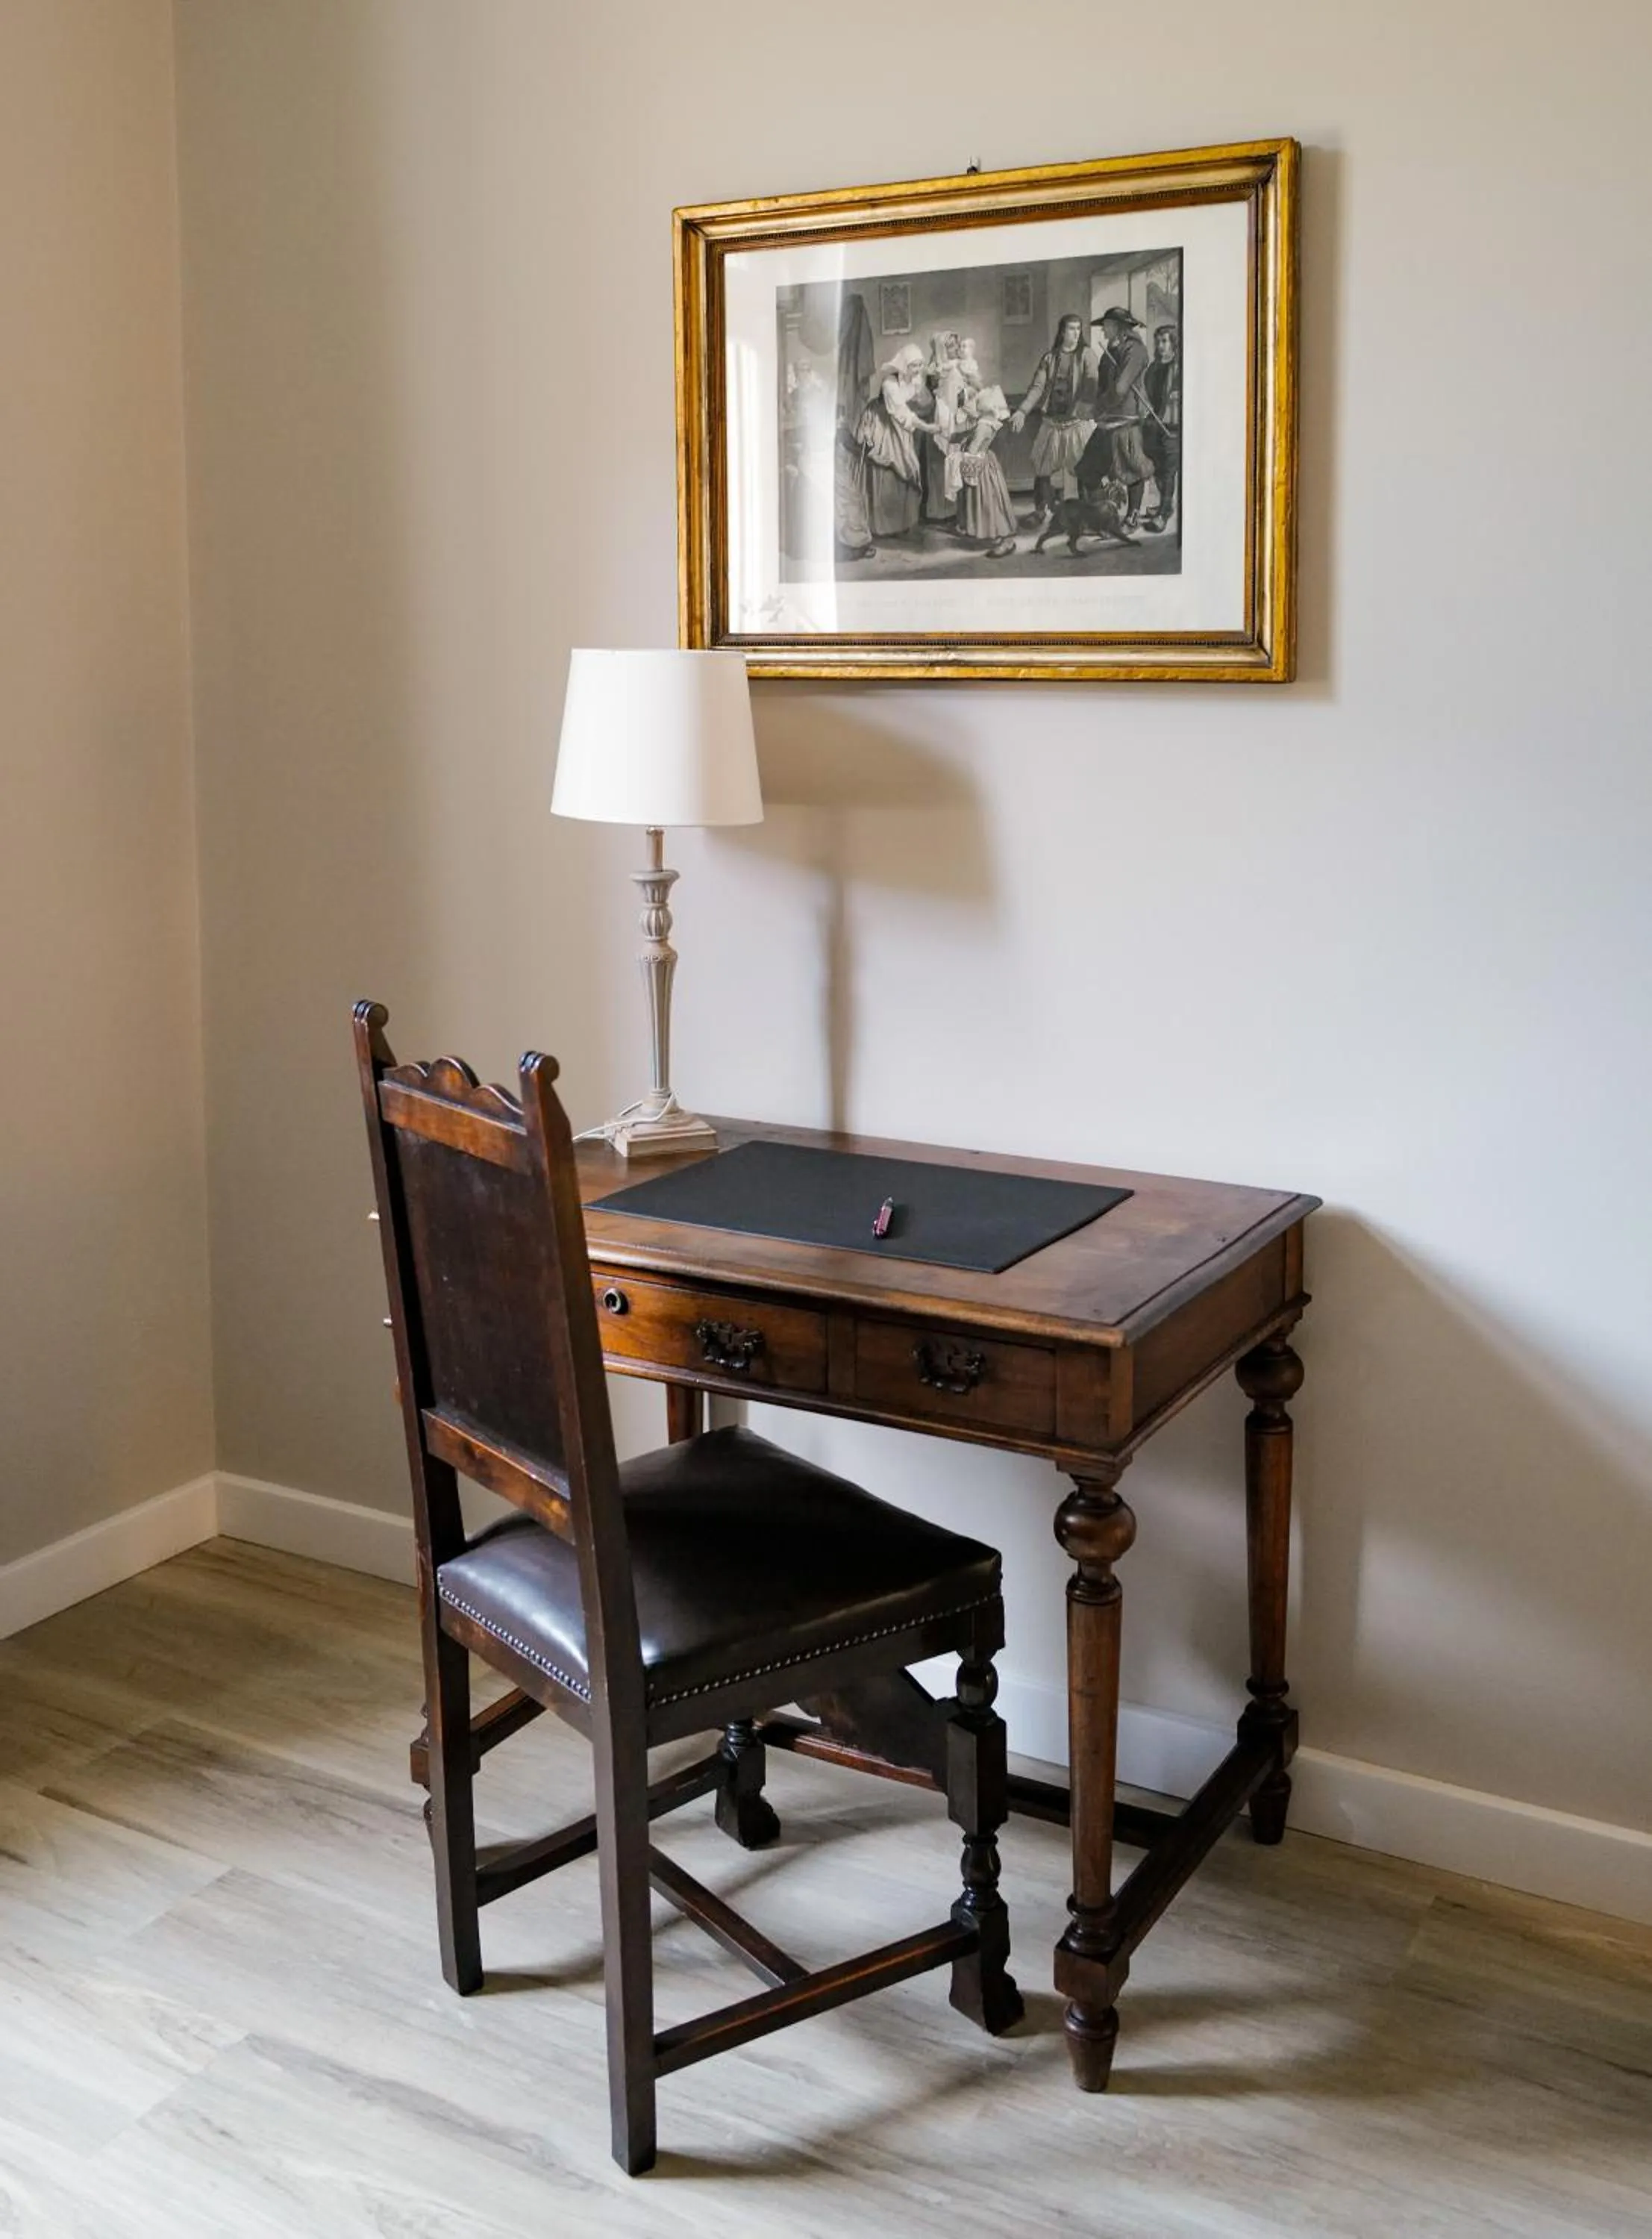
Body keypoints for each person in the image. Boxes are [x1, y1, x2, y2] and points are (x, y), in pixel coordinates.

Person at [1010, 312, 1099, 520]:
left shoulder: (1087, 355)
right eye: (1071, 328)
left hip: (1077, 422)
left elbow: (1091, 384)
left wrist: (1080, 410)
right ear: (1062, 331)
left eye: (1079, 328)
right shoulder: (1050, 358)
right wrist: (1023, 410)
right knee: (1043, 468)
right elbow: (1038, 387)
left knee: (1085, 469)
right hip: (1052, 422)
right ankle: (1041, 511)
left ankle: (1091, 515)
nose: (1076, 333)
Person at [1077, 306, 1151, 531]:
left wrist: (1098, 408)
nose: (1104, 330)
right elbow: (1103, 386)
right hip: (1107, 419)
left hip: (1126, 419)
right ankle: (1101, 518)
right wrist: (1094, 408)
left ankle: (1132, 517)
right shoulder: (1110, 349)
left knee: (1132, 470)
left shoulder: (1136, 350)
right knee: (1088, 469)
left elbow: (1120, 389)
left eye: (1107, 326)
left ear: (1119, 327)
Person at [856, 342, 935, 539]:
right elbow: (900, 413)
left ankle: (903, 523)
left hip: (901, 427)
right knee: (888, 467)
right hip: (883, 422)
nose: (916, 370)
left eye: (919, 365)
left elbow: (924, 404)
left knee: (907, 470)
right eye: (912, 366)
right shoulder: (889, 384)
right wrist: (926, 427)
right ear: (903, 365)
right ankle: (882, 526)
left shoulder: (916, 380)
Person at [949, 353, 1017, 557]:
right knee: (988, 502)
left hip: (980, 467)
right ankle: (994, 534)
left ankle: (1005, 540)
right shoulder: (987, 423)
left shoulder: (983, 426)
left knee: (988, 503)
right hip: (987, 463)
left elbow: (974, 449)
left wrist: (962, 460)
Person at [1142, 322, 1180, 534]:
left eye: (1165, 341)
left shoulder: (1181, 367)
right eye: (1158, 341)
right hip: (1154, 424)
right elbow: (1147, 393)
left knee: (1168, 471)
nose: (1161, 345)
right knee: (1157, 467)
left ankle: (1164, 514)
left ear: (1174, 342)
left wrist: (1180, 396)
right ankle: (1166, 505)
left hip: (1173, 425)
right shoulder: (1154, 368)